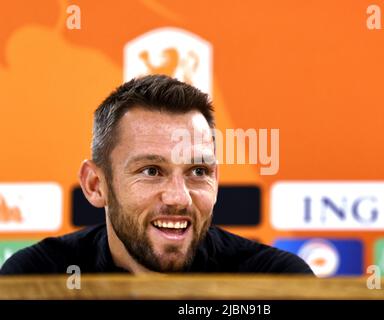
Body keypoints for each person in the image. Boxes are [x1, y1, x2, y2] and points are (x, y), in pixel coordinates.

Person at [0, 75, 313, 275]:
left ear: (215, 182)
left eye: (198, 171)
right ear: (96, 185)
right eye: (151, 171)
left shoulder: (274, 283)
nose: (178, 197)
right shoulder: (37, 279)